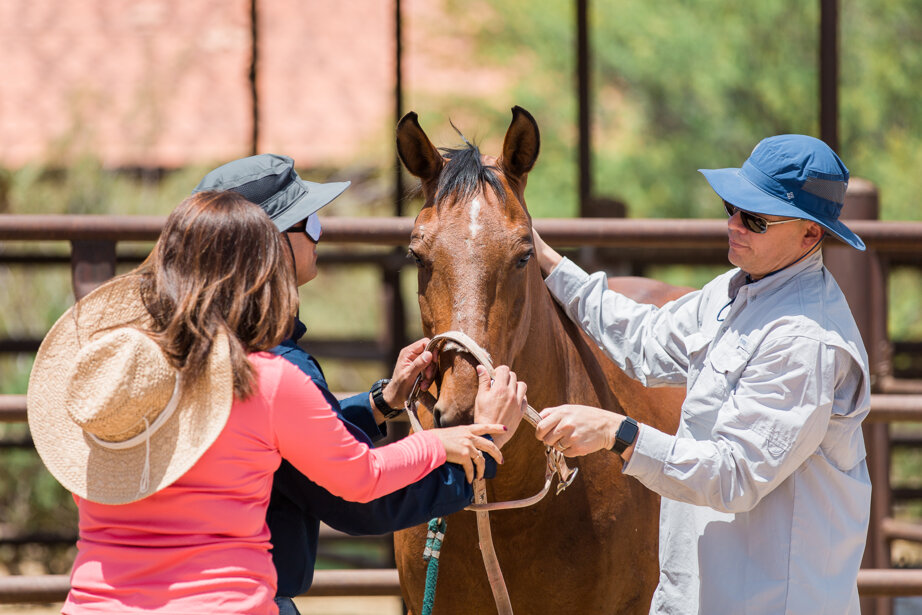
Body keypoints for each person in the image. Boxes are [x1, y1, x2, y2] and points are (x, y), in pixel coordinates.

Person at [27, 190, 526, 614]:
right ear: (257, 271)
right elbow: (361, 478)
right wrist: (455, 444)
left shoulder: (112, 384)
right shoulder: (265, 382)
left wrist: (381, 402)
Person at [531, 134, 871, 614]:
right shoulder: (738, 290)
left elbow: (733, 476)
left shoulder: (804, 341)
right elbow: (646, 340)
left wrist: (617, 432)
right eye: (732, 205)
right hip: (711, 592)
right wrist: (547, 260)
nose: (734, 225)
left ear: (810, 235)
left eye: (754, 218)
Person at [192, 154, 526, 614]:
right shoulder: (276, 369)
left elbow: (285, 440)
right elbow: (361, 499)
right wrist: (476, 451)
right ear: (272, 247)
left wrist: (381, 403)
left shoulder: (192, 350)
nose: (319, 230)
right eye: (306, 221)